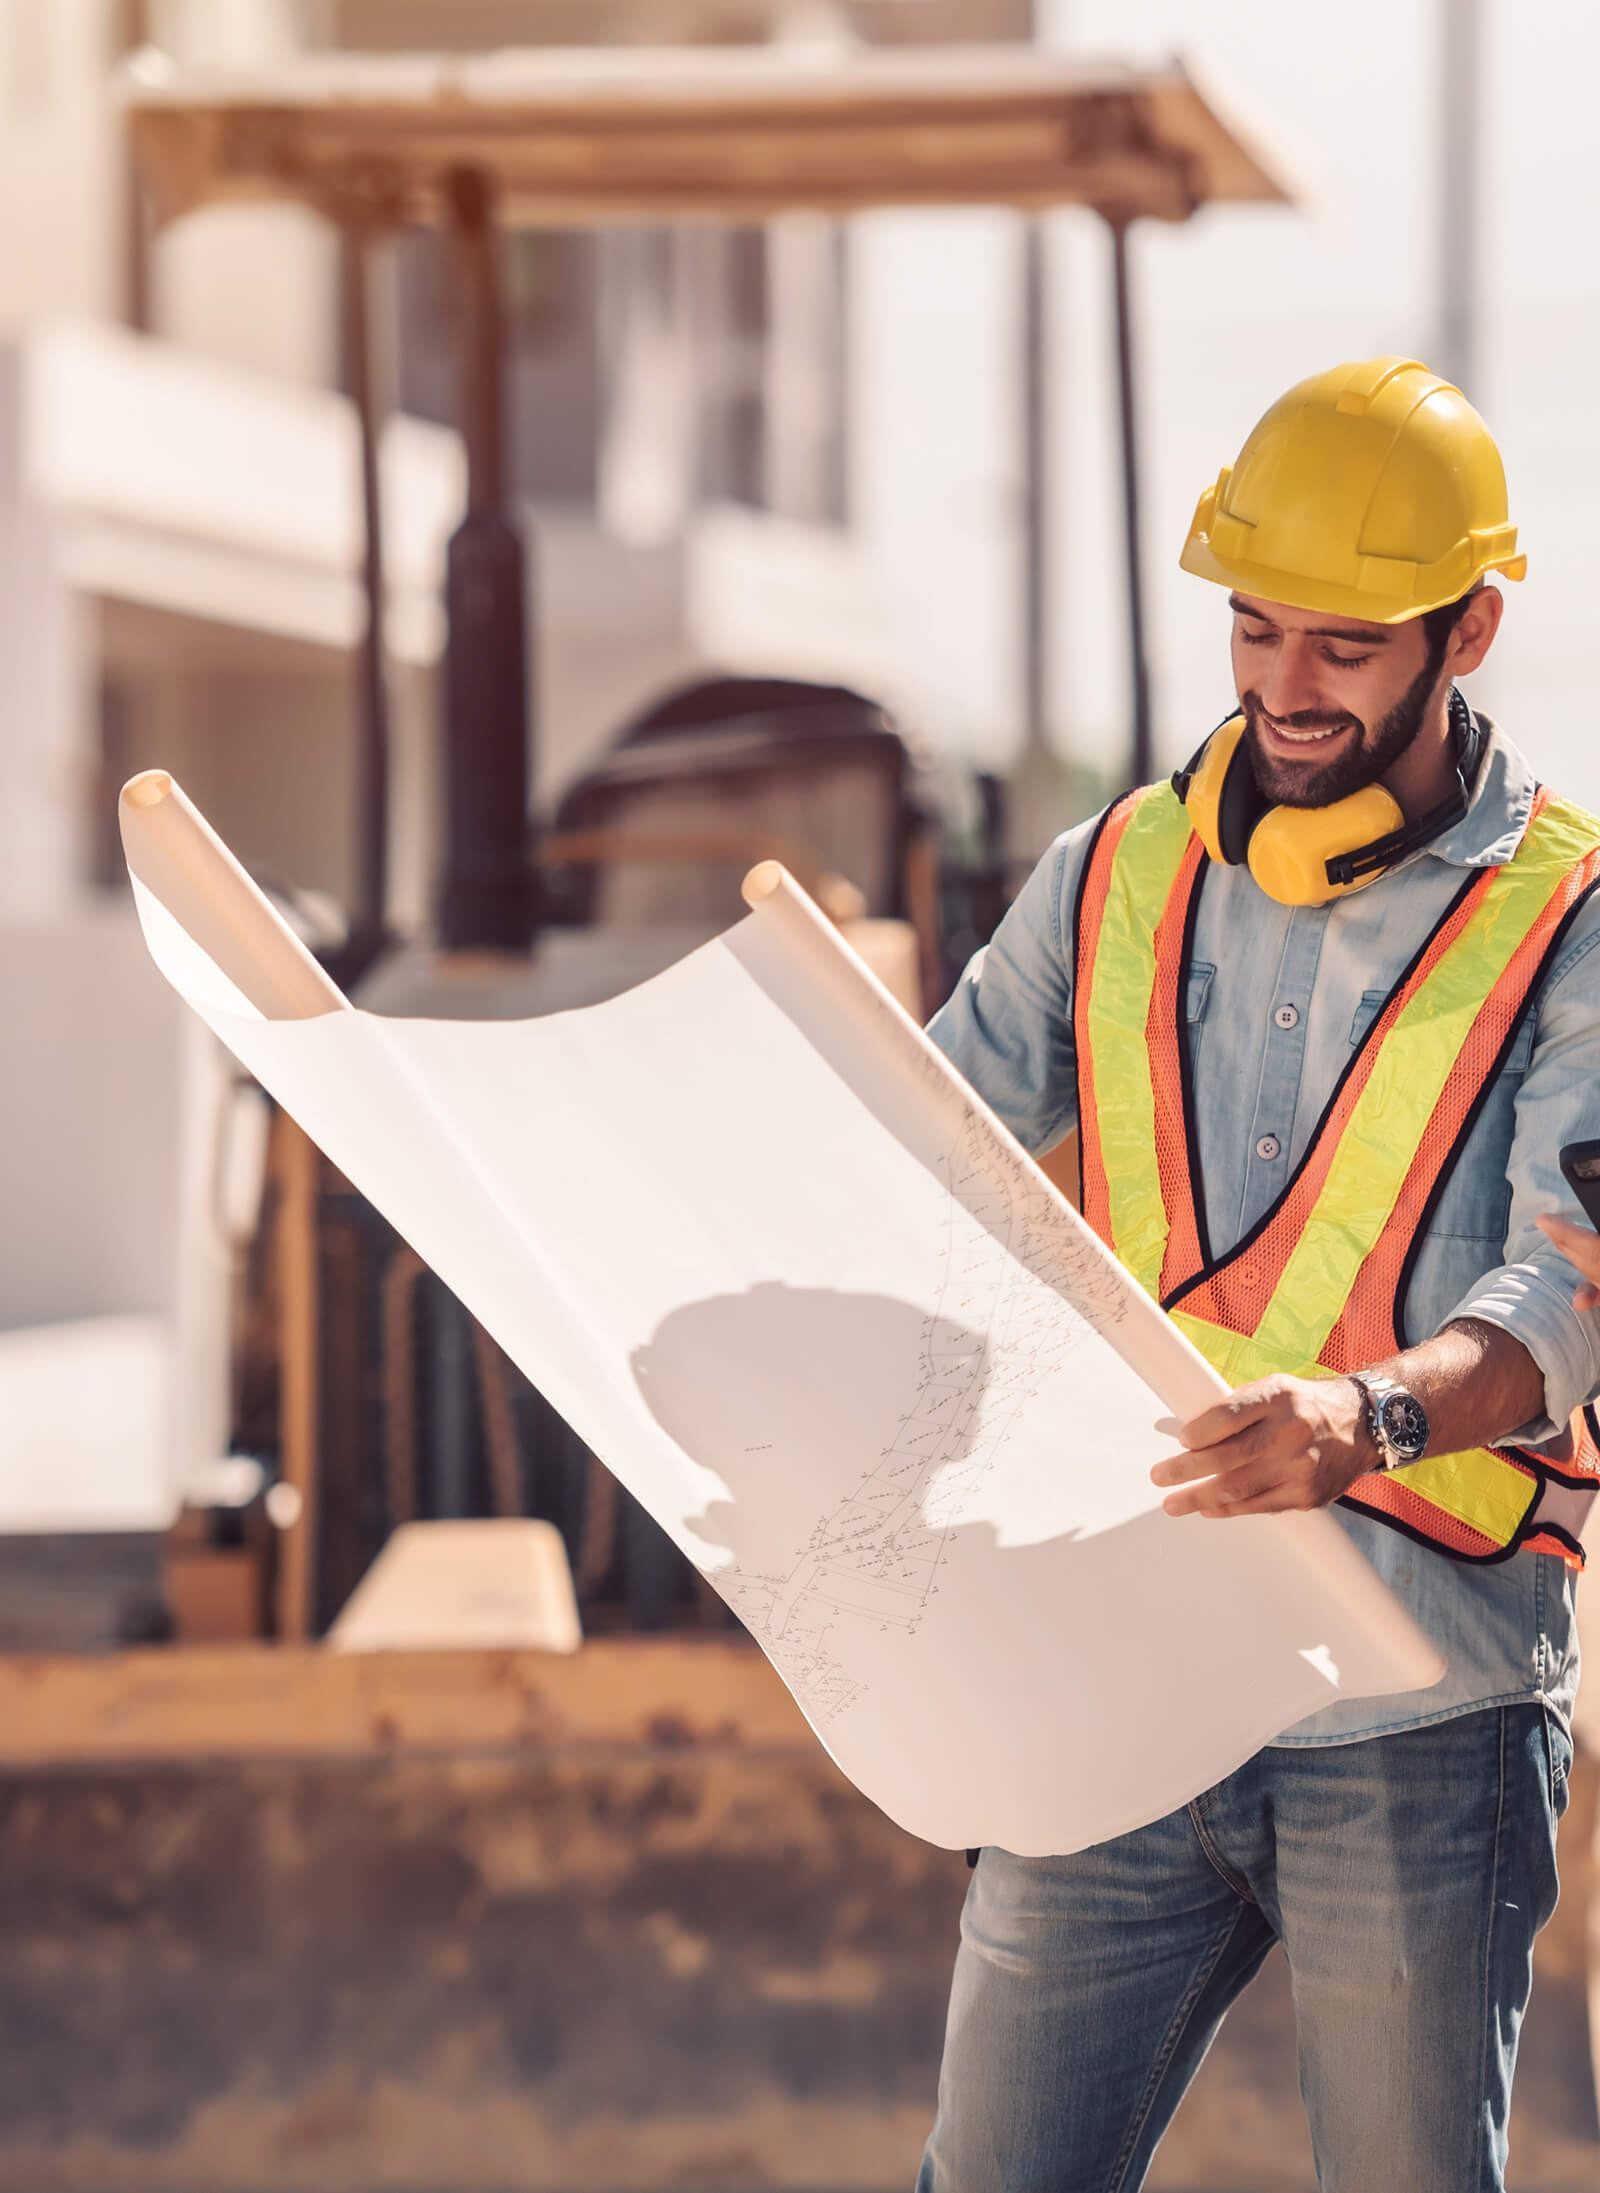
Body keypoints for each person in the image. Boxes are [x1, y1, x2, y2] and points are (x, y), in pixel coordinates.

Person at [917, 357, 1600, 2193]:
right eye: (1253, 629)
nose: (1285, 690)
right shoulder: (1115, 872)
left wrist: (1368, 1414)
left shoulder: (1571, 917)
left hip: (1420, 1705)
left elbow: (1573, 1293)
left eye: (1345, 646)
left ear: (1470, 627)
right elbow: (914, 1148)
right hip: (1122, 1669)